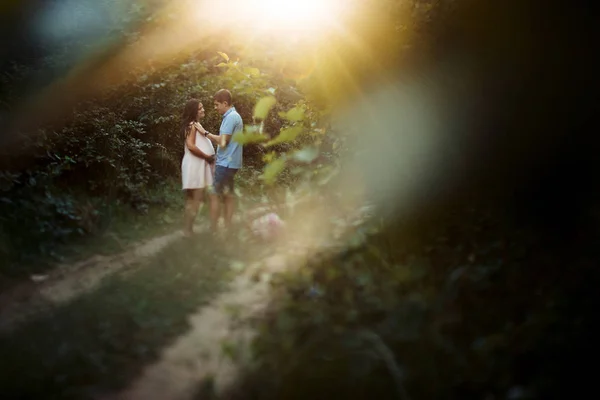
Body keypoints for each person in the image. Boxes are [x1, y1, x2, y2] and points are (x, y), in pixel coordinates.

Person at [203, 89, 244, 234]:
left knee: (214, 194)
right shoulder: (233, 116)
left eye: (216, 105)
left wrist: (206, 134)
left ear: (225, 103)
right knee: (228, 195)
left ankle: (214, 229)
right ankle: (227, 227)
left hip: (226, 163)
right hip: (231, 163)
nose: (215, 108)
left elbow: (223, 142)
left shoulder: (231, 117)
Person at [180, 99, 215, 237]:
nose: (203, 110)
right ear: (193, 111)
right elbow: (191, 145)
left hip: (199, 165)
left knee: (196, 198)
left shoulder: (195, 125)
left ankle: (189, 229)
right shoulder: (192, 126)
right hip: (195, 165)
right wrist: (207, 157)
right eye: (200, 108)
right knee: (194, 198)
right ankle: (187, 230)